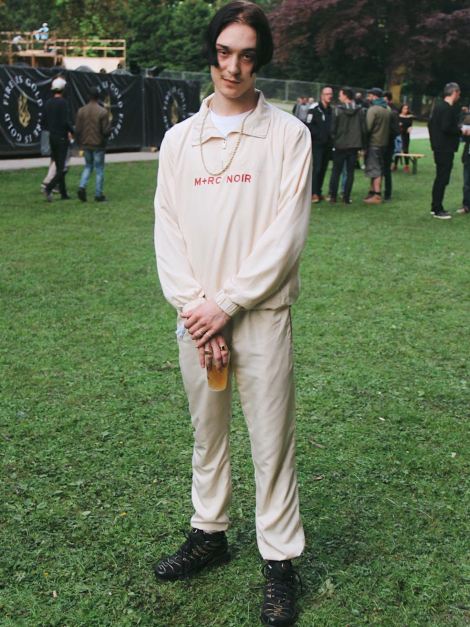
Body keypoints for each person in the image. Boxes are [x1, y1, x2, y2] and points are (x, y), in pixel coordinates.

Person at [153, 2, 312, 625]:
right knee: (207, 432)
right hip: (195, 317)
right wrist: (197, 307)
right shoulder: (178, 140)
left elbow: (285, 235)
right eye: (224, 52)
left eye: (246, 55)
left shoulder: (288, 135)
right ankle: (209, 532)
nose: (233, 67)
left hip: (260, 314)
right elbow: (168, 229)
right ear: (211, 54)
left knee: (272, 443)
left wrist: (227, 304)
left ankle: (279, 561)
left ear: (259, 59)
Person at [428, 82, 461, 219]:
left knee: (440, 177)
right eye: (459, 93)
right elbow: (446, 127)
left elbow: (431, 125)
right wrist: (460, 130)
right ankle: (437, 209)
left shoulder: (438, 106)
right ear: (455, 93)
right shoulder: (447, 108)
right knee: (442, 178)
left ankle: (435, 206)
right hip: (445, 148)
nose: (459, 96)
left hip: (438, 147)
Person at [328, 86, 364, 204]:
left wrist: (334, 140)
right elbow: (363, 128)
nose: (339, 97)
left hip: (340, 145)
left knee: (336, 171)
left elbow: (333, 128)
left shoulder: (337, 110)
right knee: (350, 172)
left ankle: (333, 196)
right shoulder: (360, 110)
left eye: (340, 94)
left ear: (345, 95)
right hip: (354, 146)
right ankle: (346, 197)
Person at [75, 86, 111, 202]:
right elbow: (105, 131)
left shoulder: (81, 111)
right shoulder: (102, 112)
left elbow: (78, 129)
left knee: (88, 166)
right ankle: (98, 194)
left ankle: (82, 186)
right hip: (98, 144)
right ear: (98, 97)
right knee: (99, 169)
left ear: (88, 96)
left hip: (86, 143)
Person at [43, 77, 73, 202]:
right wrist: (73, 131)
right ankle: (49, 187)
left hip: (52, 137)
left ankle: (63, 193)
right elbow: (66, 121)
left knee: (58, 164)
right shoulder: (63, 103)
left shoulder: (48, 103)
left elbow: (44, 121)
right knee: (61, 168)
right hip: (61, 137)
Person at [363, 87, 392, 205]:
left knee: (375, 169)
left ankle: (377, 194)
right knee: (378, 168)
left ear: (374, 96)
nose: (368, 98)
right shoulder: (387, 109)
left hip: (374, 143)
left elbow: (367, 127)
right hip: (384, 143)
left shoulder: (373, 109)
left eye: (369, 96)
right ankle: (372, 192)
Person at [306, 85, 334, 202]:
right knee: (316, 169)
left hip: (328, 145)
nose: (329, 96)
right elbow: (308, 125)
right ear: (322, 95)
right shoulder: (314, 109)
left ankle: (319, 191)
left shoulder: (331, 110)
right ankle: (313, 193)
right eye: (327, 94)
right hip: (317, 145)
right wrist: (318, 136)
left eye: (331, 94)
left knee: (323, 169)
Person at [383, 91, 400, 201]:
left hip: (388, 144)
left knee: (386, 170)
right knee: (383, 170)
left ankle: (387, 193)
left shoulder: (392, 112)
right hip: (385, 143)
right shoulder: (388, 110)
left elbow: (396, 130)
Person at [393, 103, 414, 172]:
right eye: (404, 108)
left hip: (406, 135)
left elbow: (410, 125)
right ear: (401, 109)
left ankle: (406, 165)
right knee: (398, 149)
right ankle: (395, 165)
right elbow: (396, 125)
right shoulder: (398, 116)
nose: (405, 110)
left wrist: (410, 128)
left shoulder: (410, 117)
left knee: (405, 150)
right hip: (399, 134)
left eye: (407, 108)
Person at [457, 108, 470, 215]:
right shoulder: (467, 119)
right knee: (467, 183)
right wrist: (464, 134)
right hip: (468, 155)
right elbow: (463, 139)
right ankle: (466, 206)